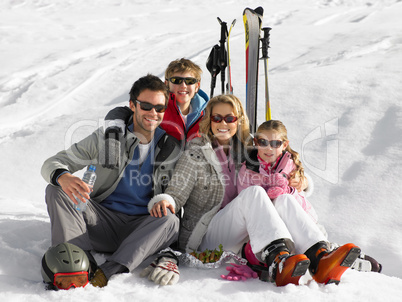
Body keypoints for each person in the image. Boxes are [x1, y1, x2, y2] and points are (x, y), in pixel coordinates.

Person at [147, 94, 361, 287]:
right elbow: (176, 193)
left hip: (248, 236)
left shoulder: (249, 151)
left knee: (283, 198)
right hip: (208, 237)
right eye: (217, 118)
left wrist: (302, 181)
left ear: (238, 121)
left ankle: (319, 257)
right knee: (255, 193)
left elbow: (281, 166)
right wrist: (166, 200)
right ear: (208, 121)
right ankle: (278, 260)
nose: (223, 123)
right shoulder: (194, 154)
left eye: (229, 118)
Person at [41, 74, 182, 288]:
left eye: (159, 108)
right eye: (146, 106)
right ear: (132, 105)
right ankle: (78, 260)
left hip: (141, 229)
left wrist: (168, 200)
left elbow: (179, 192)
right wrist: (64, 176)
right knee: (56, 190)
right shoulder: (106, 137)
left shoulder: (170, 146)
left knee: (170, 220)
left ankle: (111, 268)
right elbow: (53, 162)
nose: (153, 113)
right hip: (100, 221)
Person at [100, 58, 209, 169]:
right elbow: (120, 112)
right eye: (176, 80)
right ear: (167, 84)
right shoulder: (159, 108)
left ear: (197, 86)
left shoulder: (207, 115)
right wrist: (113, 135)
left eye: (189, 81)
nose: (183, 85)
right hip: (157, 174)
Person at [237, 120, 318, 222]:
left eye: (275, 143)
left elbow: (302, 206)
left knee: (285, 199)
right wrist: (269, 194)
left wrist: (289, 191)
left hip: (296, 223)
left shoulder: (290, 167)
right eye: (263, 142)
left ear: (284, 145)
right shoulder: (247, 172)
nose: (269, 148)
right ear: (256, 142)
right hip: (263, 225)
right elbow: (245, 207)